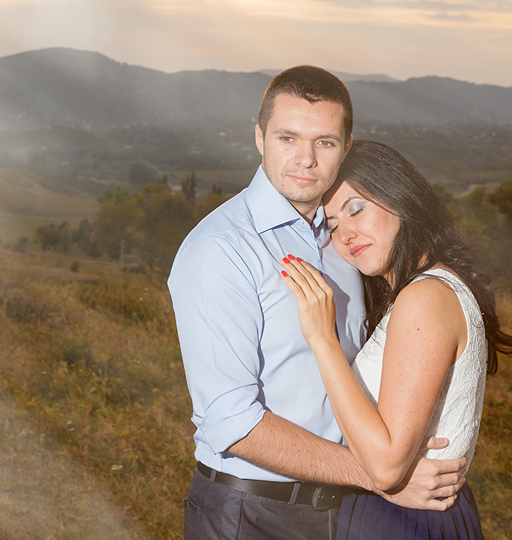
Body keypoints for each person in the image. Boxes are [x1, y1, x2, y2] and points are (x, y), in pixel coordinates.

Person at [168, 67, 467, 540]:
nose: (305, 159)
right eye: (288, 137)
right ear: (259, 138)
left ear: (345, 149)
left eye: (324, 142)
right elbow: (232, 423)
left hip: (346, 512)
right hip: (252, 513)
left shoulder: (346, 241)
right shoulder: (220, 250)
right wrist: (380, 478)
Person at [282, 139, 512, 540]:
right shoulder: (426, 290)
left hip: (407, 521)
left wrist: (323, 340)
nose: (346, 235)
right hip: (413, 511)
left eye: (357, 209)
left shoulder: (424, 298)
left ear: (400, 199)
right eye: (333, 225)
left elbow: (387, 468)